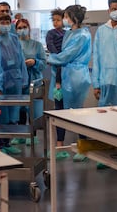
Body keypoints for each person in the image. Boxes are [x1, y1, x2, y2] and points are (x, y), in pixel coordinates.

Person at [47, 5, 91, 162]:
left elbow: (67, 55)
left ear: (74, 18)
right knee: (64, 112)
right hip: (66, 75)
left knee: (77, 113)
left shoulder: (82, 35)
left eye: (66, 16)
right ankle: (67, 145)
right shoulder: (70, 34)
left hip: (76, 76)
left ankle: (83, 147)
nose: (64, 19)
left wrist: (50, 58)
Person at [0, 14, 28, 154]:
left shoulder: (15, 39)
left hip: (15, 78)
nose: (5, 24)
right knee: (2, 113)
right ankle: (0, 144)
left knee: (14, 112)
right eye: (2, 22)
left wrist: (24, 79)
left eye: (7, 22)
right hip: (2, 77)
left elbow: (21, 60)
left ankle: (8, 143)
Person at [12, 18, 46, 145]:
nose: (22, 30)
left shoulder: (36, 45)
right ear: (15, 30)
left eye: (24, 27)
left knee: (33, 109)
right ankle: (21, 134)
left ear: (29, 28)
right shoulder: (14, 45)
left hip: (33, 79)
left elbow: (44, 63)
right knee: (19, 108)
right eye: (19, 28)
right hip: (19, 80)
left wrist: (35, 62)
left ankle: (33, 135)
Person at [45, 8, 67, 155]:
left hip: (69, 74)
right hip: (58, 71)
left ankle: (81, 142)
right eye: (53, 20)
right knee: (59, 110)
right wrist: (60, 57)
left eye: (58, 20)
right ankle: (59, 143)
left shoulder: (69, 34)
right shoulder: (50, 34)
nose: (56, 22)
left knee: (74, 110)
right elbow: (53, 50)